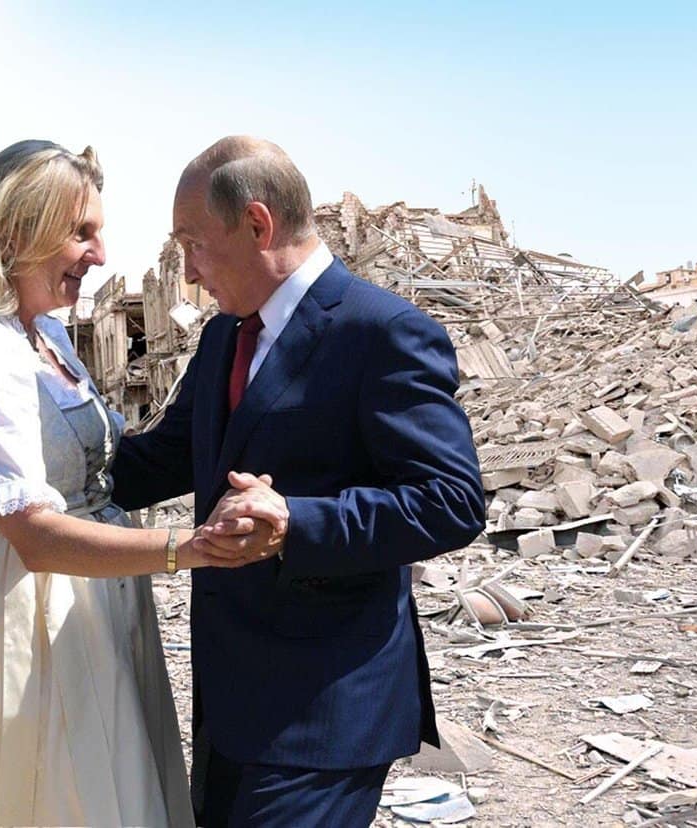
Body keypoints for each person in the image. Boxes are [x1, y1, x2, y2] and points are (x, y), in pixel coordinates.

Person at [0, 140, 282, 827]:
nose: (99, 254)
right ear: (15, 231)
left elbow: (112, 466)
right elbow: (32, 536)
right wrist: (192, 549)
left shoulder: (45, 337)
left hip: (90, 601)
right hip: (15, 611)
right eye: (80, 232)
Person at [111, 136, 486, 827]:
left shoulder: (382, 332)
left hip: (327, 710)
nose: (188, 273)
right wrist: (28, 444)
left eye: (193, 245)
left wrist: (295, 523)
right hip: (231, 703)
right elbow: (161, 460)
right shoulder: (223, 337)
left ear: (257, 225)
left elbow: (451, 501)